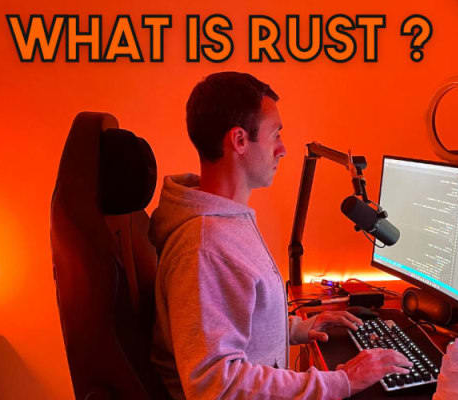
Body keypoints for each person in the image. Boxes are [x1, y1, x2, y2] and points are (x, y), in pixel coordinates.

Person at [149, 71, 412, 399]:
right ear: (239, 140)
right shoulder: (205, 245)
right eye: (275, 135)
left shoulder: (225, 220)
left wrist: (297, 328)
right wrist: (341, 381)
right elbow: (216, 384)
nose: (283, 149)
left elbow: (233, 319)